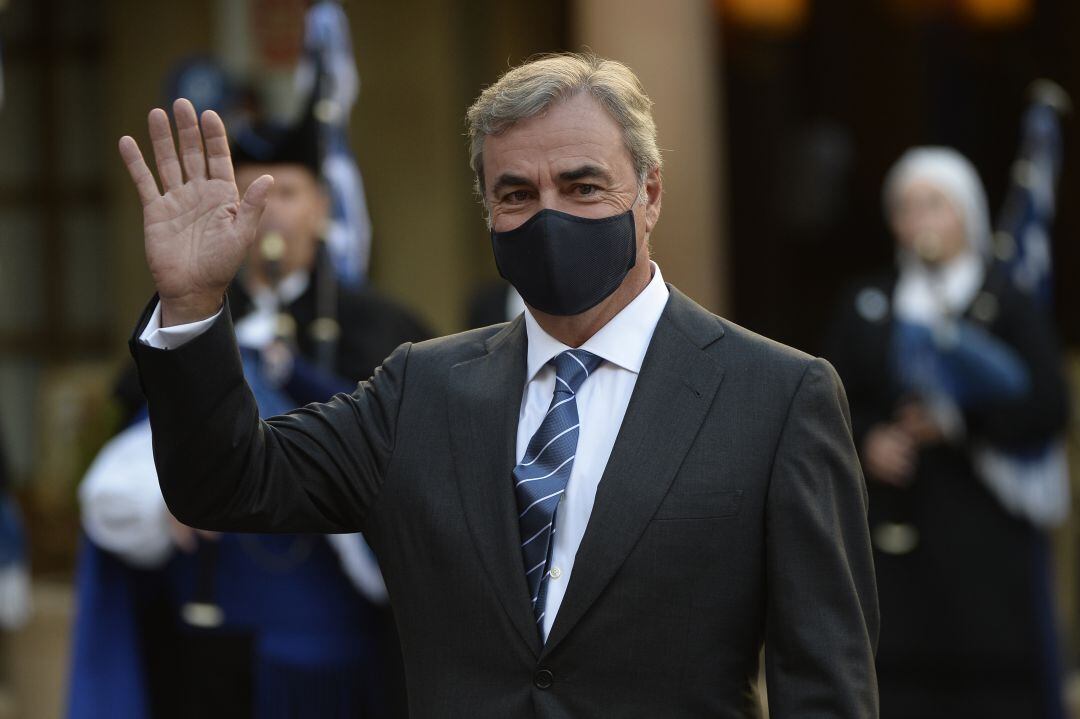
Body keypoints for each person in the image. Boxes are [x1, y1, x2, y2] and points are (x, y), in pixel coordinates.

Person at [119, 53, 879, 717]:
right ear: (488, 211)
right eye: (516, 194)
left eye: (583, 187)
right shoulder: (420, 388)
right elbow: (226, 483)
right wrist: (191, 305)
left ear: (649, 194)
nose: (548, 214)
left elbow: (825, 683)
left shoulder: (778, 397)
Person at [70, 99, 427, 719]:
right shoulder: (188, 314)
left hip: (336, 655)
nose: (270, 210)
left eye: (287, 191)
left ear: (322, 209)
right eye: (248, 190)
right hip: (208, 646)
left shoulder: (384, 330)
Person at [823, 147, 1070, 719]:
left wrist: (959, 423)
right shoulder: (870, 302)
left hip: (985, 542)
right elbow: (828, 397)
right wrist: (868, 439)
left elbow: (1047, 406)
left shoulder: (1004, 301)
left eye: (935, 204)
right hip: (897, 545)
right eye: (906, 208)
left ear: (966, 214)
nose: (920, 221)